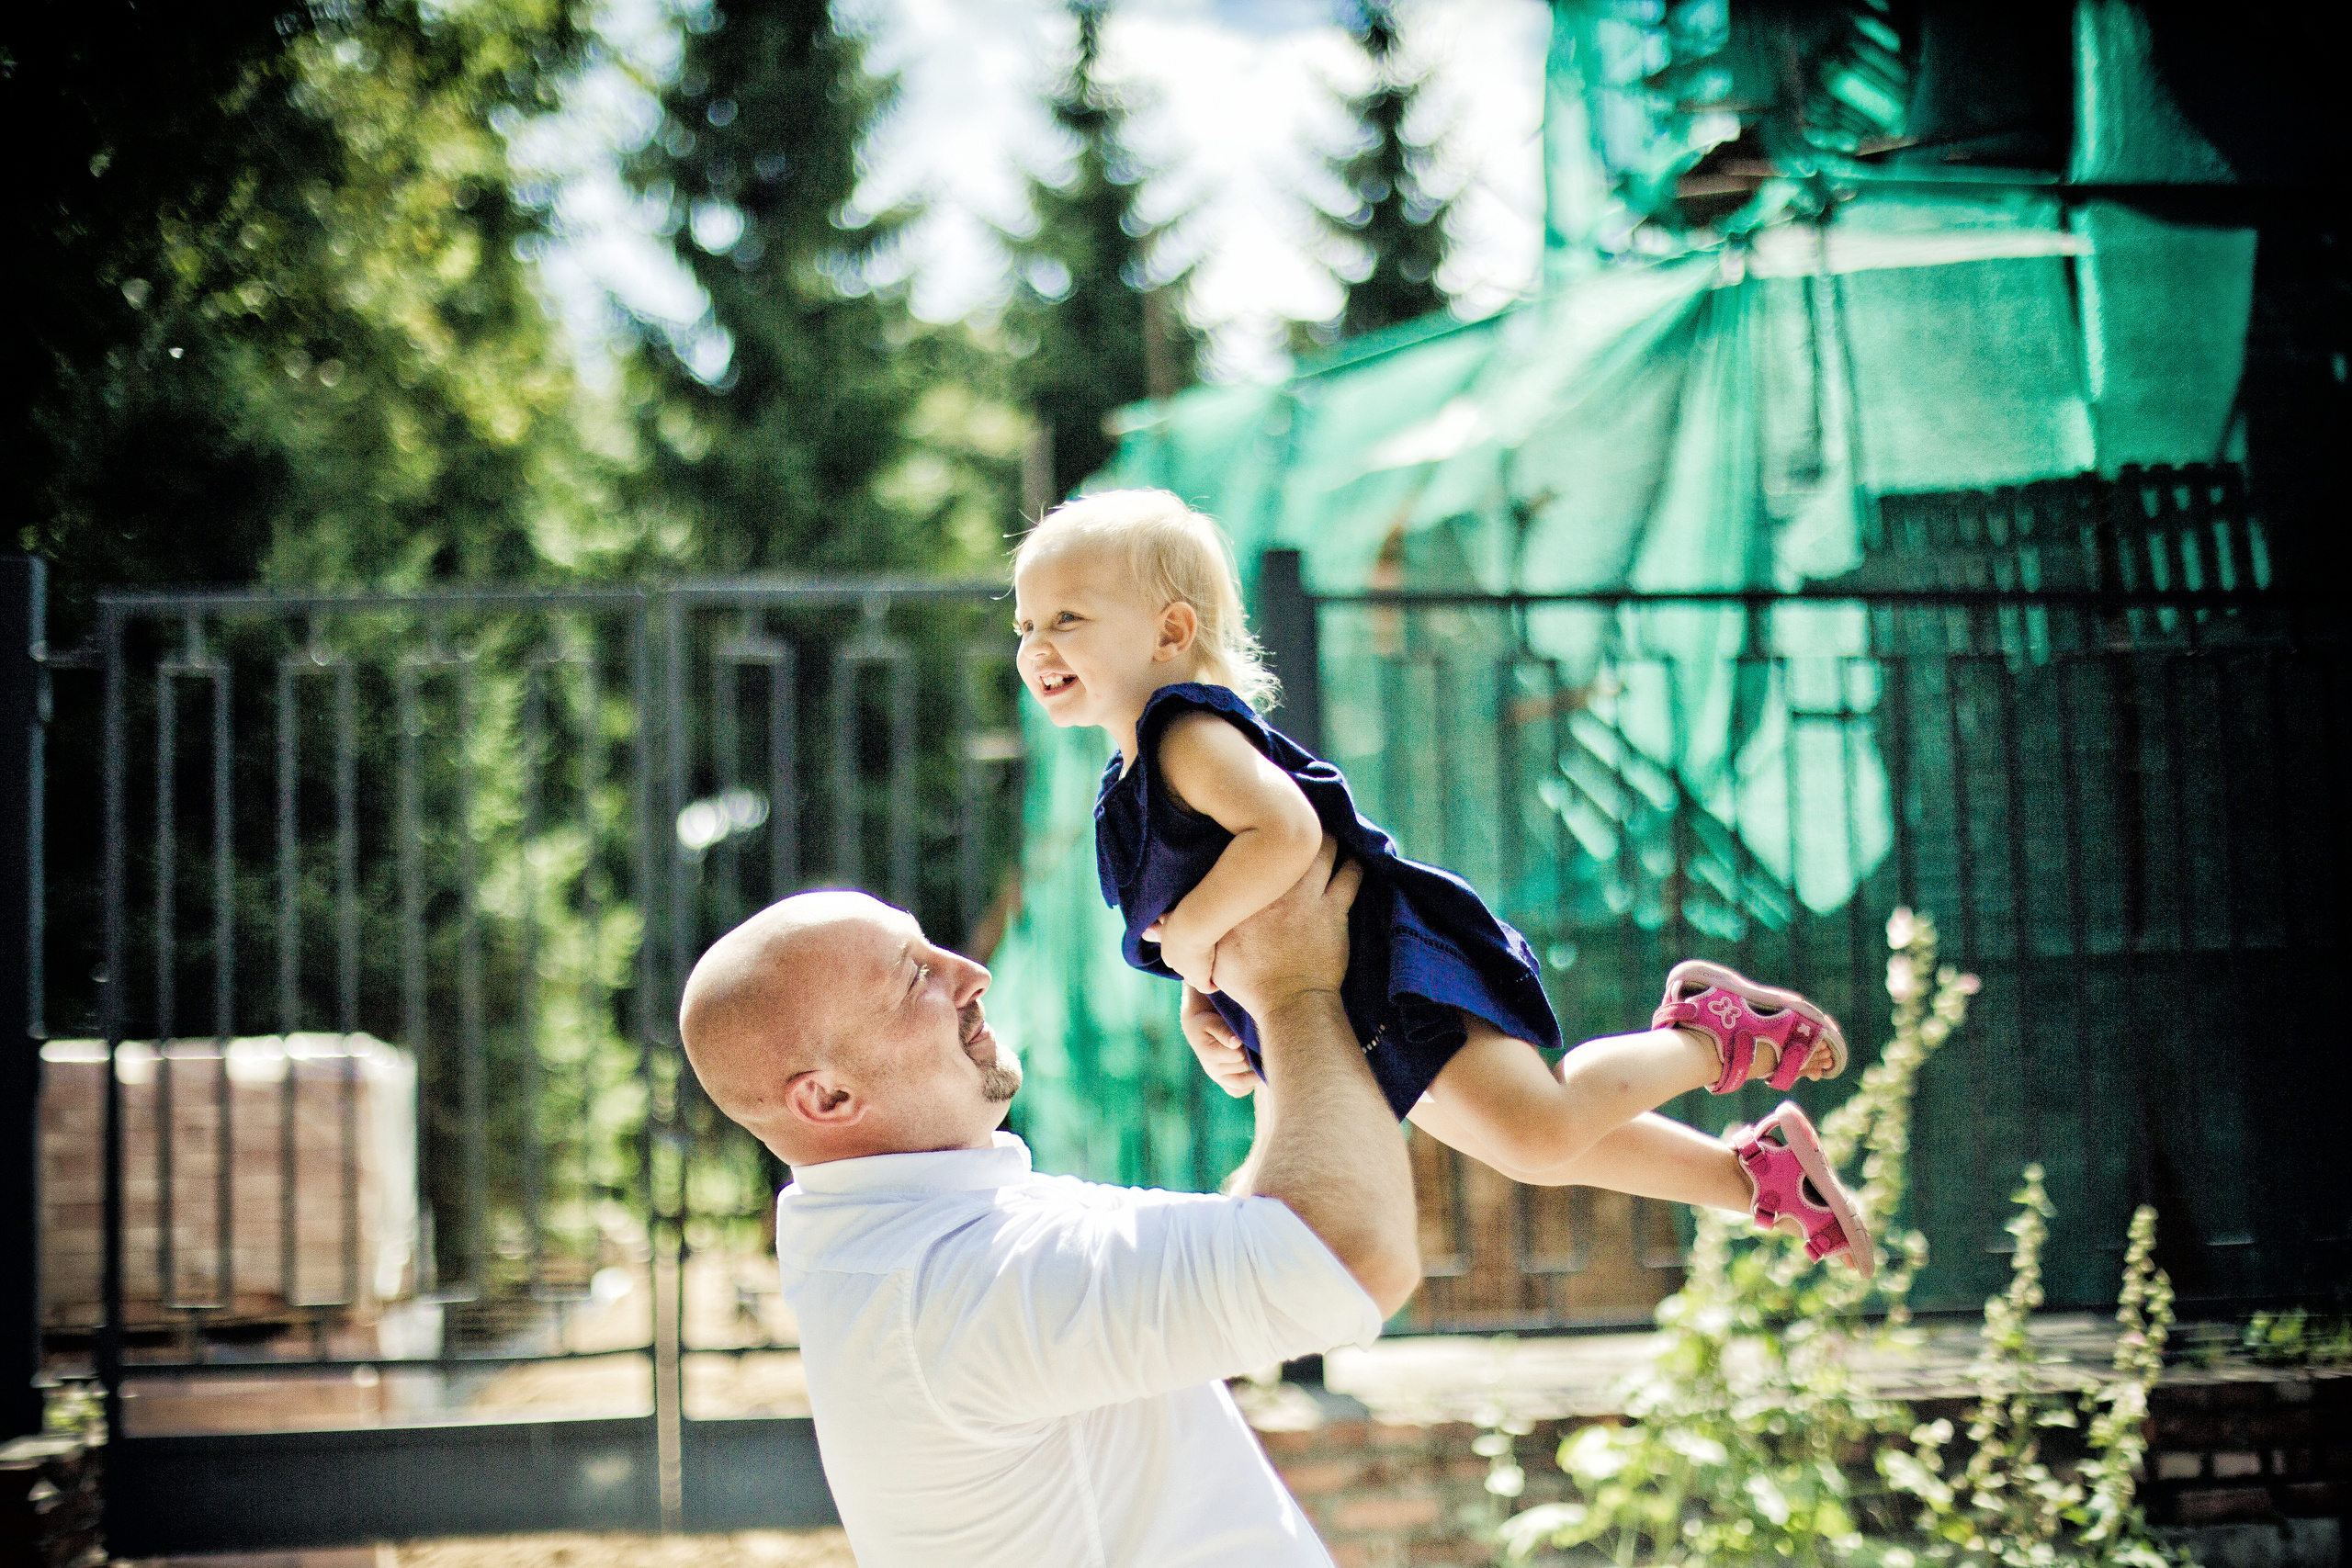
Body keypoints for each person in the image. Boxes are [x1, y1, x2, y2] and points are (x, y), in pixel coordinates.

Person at [1011, 489, 1872, 1274]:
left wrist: (1195, 938)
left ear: (1170, 631)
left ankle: (1712, 1033)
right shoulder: (1133, 781)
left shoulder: (1186, 736)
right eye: (1025, 625)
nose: (1037, 645)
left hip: (1387, 975)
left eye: (1067, 618)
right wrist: (1202, 999)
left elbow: (1285, 834)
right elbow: (1202, 902)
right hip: (1349, 1002)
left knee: (1539, 1128)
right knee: (1527, 1140)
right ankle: (1758, 1178)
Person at [678, 836, 1419, 1567]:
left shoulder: (913, 1242)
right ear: (829, 1097)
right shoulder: (962, 1284)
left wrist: (1267, 1036)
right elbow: (1347, 1256)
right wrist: (1295, 991)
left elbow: (1256, 1244)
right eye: (915, 978)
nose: (972, 973)